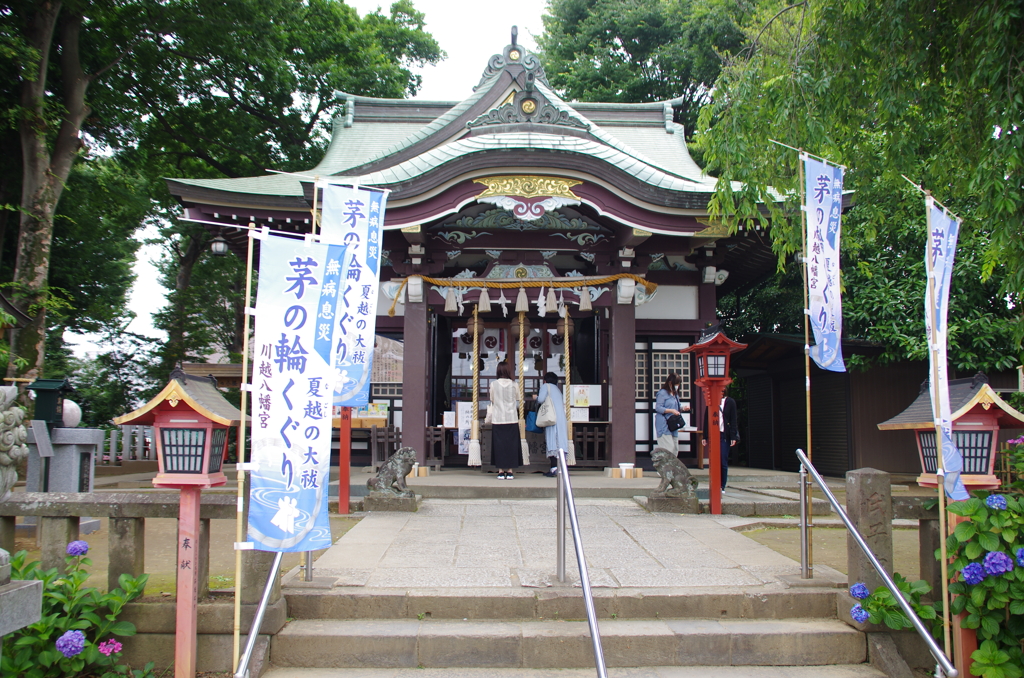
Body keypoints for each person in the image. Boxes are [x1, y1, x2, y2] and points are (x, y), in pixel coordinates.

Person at [485, 360, 521, 479]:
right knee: (511, 444)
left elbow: (492, 399)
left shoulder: (493, 384)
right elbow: (517, 398)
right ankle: (510, 471)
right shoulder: (514, 385)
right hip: (512, 418)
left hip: (498, 418)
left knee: (499, 445)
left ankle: (500, 471)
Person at [702, 387, 740, 489]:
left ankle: (722, 485)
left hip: (724, 434)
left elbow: (733, 420)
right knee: (714, 460)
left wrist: (733, 436)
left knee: (723, 460)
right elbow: (707, 419)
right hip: (714, 434)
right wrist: (705, 436)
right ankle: (714, 484)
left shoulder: (730, 402)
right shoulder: (711, 401)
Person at [535, 372, 569, 477]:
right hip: (560, 418)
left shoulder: (546, 386)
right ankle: (561, 467)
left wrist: (535, 397)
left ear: (545, 380)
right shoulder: (557, 389)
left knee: (552, 441)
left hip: (552, 417)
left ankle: (554, 468)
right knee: (560, 442)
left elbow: (541, 399)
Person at [654, 372, 689, 454]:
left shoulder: (675, 394)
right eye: (676, 384)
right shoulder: (662, 393)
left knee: (675, 449)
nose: (677, 386)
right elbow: (658, 408)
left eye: (678, 384)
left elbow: (677, 408)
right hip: (664, 424)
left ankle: (672, 466)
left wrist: (683, 408)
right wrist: (671, 411)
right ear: (670, 383)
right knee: (668, 449)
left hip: (673, 425)